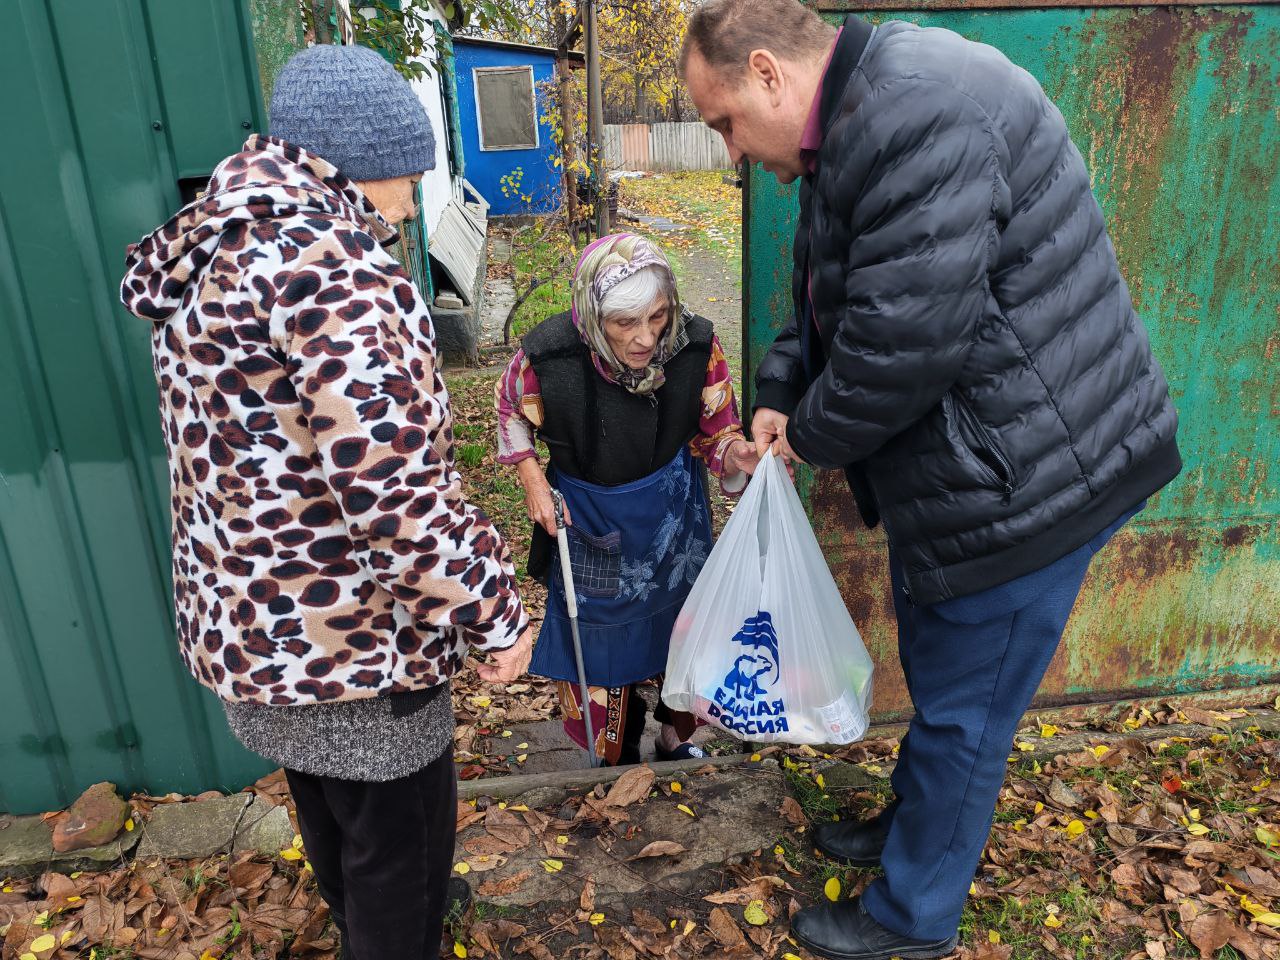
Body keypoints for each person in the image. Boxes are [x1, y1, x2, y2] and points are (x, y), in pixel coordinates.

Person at [680, 2, 1181, 957]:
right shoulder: (853, 129)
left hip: (1031, 482)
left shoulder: (918, 112)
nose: (733, 152)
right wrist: (783, 390)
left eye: (725, 124)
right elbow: (833, 299)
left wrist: (802, 442)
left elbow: (902, 347)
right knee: (945, 675)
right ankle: (915, 827)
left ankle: (913, 919)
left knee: (964, 713)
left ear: (767, 73)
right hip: (976, 467)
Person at [120, 44, 533, 960]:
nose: (409, 203)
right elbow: (396, 495)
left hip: (262, 631)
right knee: (402, 855)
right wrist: (496, 617)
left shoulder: (217, 250)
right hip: (353, 642)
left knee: (330, 814)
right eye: (406, 178)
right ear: (359, 165)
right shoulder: (333, 272)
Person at [495, 233, 759, 764]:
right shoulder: (547, 357)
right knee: (599, 638)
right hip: (592, 520)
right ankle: (611, 752)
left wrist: (735, 456)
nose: (645, 338)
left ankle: (675, 736)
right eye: (624, 324)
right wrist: (530, 477)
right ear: (594, 316)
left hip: (673, 517)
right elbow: (510, 414)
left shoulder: (696, 347)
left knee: (685, 626)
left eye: (657, 316)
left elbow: (717, 428)